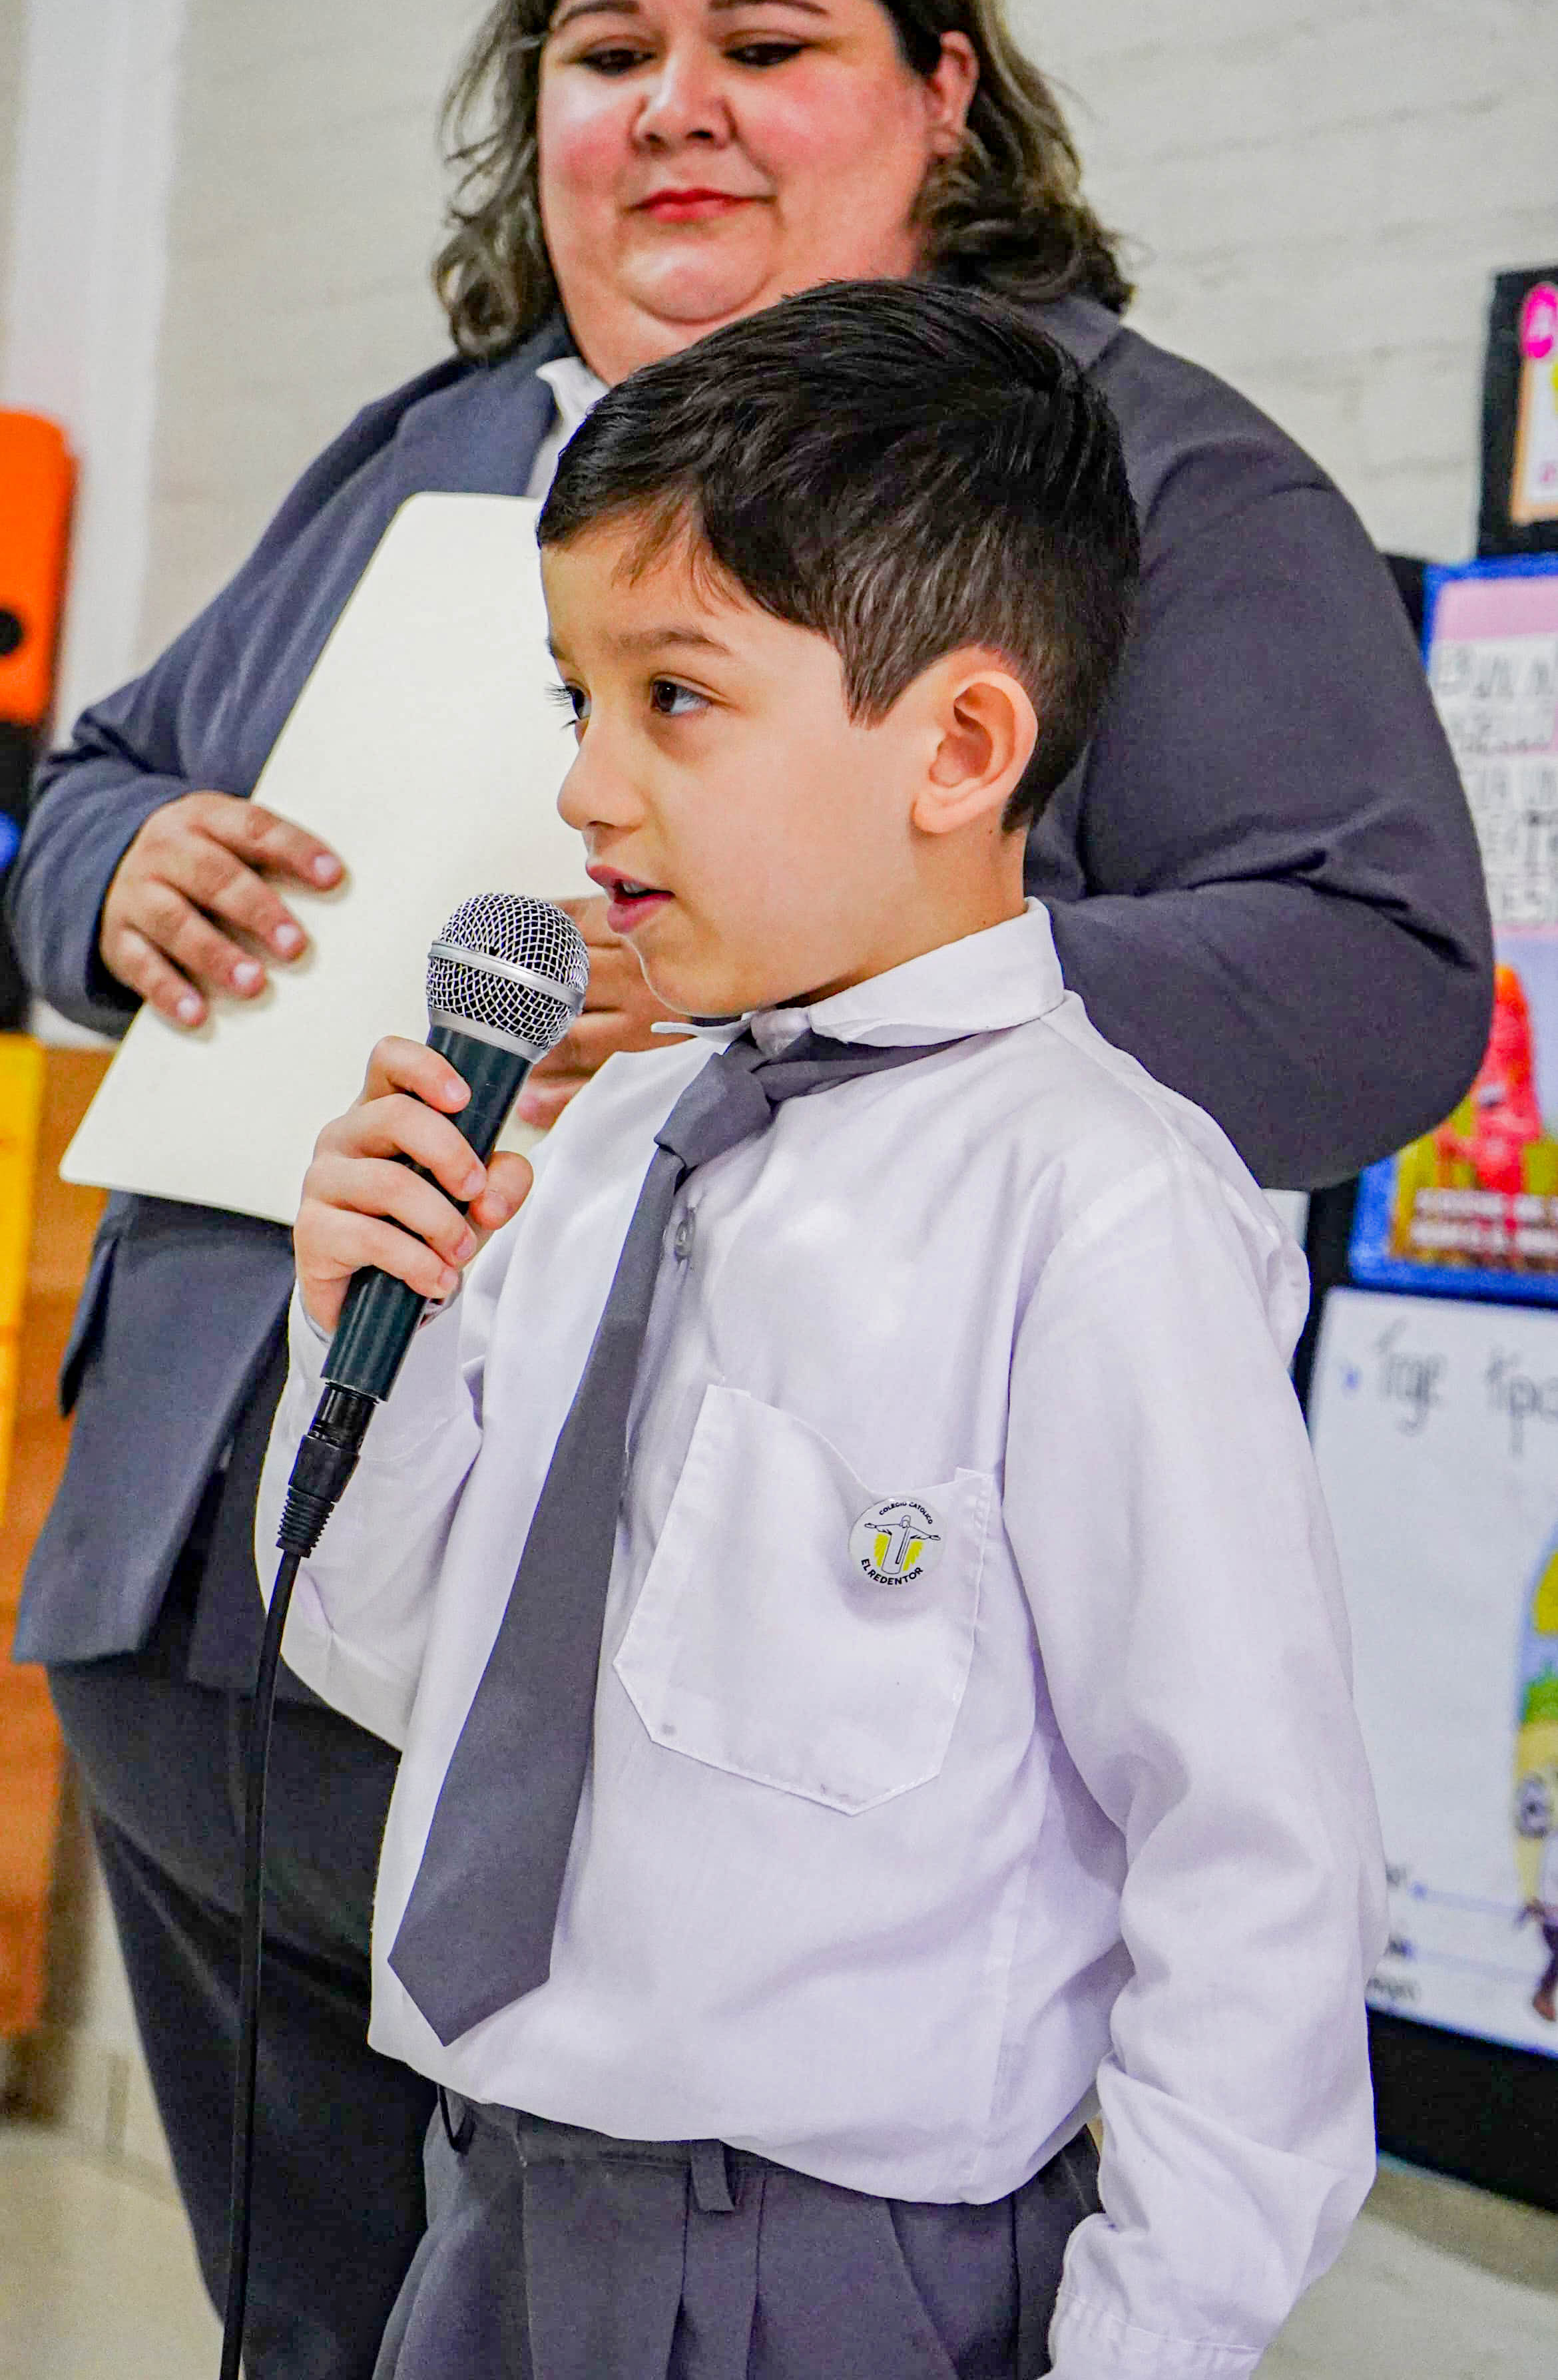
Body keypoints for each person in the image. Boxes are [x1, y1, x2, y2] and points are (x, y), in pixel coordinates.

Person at [7, 0, 1481, 2375]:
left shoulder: (1107, 476)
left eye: (762, 37)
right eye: (602, 47)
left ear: (946, 88)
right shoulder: (434, 443)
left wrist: (840, 1020)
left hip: (699, 1799)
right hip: (239, 1624)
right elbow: (86, 766)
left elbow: (1371, 966)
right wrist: (101, 870)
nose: (667, 102)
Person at [259, 282, 1387, 2380]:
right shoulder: (612, 1146)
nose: (586, 791)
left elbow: (1251, 1873)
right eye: (570, 699)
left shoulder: (1102, 1211)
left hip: (842, 2276)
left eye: (673, 699)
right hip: (493, 2212)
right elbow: (391, 1662)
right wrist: (367, 1339)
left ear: (959, 746)